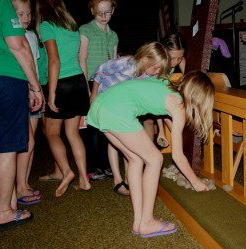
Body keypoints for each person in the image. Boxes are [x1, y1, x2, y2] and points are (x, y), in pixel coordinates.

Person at [87, 70, 214, 237]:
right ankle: (147, 222)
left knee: (135, 160)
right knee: (155, 159)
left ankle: (139, 222)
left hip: (100, 106)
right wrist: (195, 181)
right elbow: (177, 155)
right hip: (117, 111)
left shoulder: (167, 88)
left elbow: (165, 115)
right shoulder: (179, 106)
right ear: (201, 99)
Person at [90, 41, 170, 195]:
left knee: (128, 147)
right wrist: (94, 93)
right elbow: (101, 71)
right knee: (114, 144)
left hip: (124, 109)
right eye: (156, 67)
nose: (158, 70)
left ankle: (129, 179)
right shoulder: (127, 63)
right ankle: (117, 179)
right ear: (146, 59)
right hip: (107, 104)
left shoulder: (146, 75)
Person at [35, 0, 91, 197]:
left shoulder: (46, 26)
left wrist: (51, 93)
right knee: (73, 133)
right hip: (78, 82)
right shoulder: (72, 27)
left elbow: (54, 60)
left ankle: (67, 172)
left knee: (51, 133)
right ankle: (84, 180)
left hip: (62, 83)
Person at [0, 0, 43, 231]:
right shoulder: (3, 3)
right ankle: (4, 211)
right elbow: (17, 45)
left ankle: (9, 198)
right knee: (6, 147)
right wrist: (35, 86)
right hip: (5, 76)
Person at [79, 0, 119, 180]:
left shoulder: (113, 35)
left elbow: (115, 62)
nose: (104, 17)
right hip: (89, 82)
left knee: (105, 126)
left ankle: (105, 165)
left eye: (107, 13)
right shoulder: (85, 30)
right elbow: (82, 59)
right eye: (99, 13)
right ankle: (92, 167)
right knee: (91, 127)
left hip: (107, 85)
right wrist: (86, 90)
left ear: (112, 11)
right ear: (92, 10)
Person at [12, 0, 42, 205]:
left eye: (28, 13)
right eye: (20, 14)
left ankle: (24, 182)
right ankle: (18, 187)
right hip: (20, 91)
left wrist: (39, 89)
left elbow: (35, 66)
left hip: (34, 91)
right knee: (25, 141)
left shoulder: (31, 35)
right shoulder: (12, 37)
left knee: (30, 144)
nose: (26, 18)